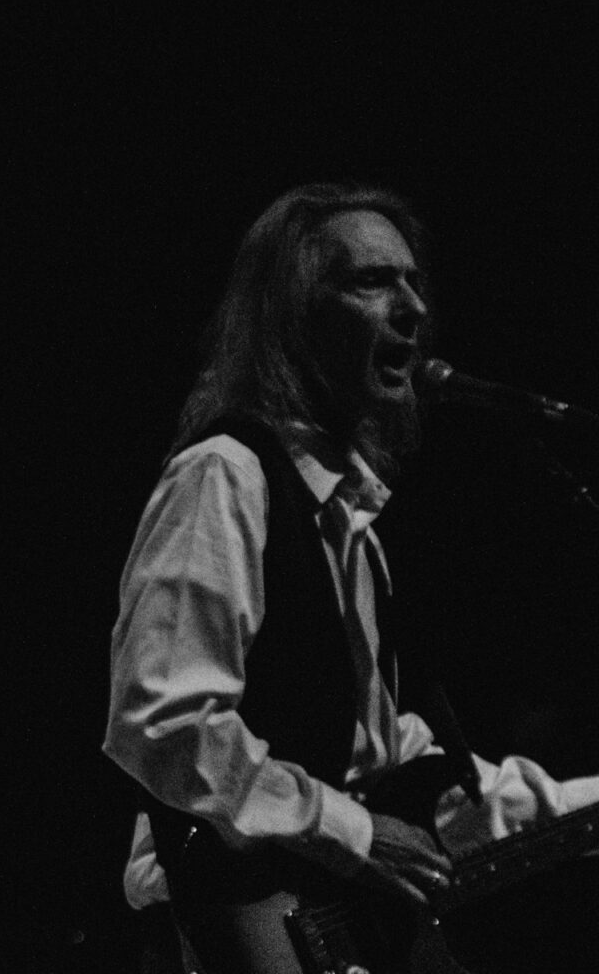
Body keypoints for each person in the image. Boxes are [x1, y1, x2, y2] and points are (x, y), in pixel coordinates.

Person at [103, 183, 599, 968]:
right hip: (244, 919)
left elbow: (393, 763)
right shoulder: (225, 475)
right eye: (372, 281)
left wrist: (571, 804)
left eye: (414, 282)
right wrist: (354, 833)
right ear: (293, 316)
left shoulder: (348, 522)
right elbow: (163, 724)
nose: (413, 307)